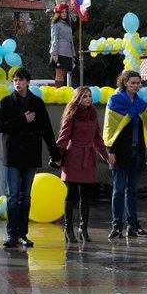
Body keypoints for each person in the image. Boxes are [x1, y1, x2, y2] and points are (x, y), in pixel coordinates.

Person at [0, 67, 62, 248]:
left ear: (27, 82)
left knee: (25, 196)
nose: (17, 83)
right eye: (15, 80)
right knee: (12, 196)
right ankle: (11, 234)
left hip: (31, 154)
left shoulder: (37, 103)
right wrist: (21, 119)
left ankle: (23, 233)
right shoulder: (6, 102)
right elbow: (0, 126)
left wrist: (55, 155)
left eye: (21, 80)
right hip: (13, 155)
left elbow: (47, 130)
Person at [102, 70, 147, 239]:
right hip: (120, 152)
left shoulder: (140, 103)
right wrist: (110, 152)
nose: (136, 86)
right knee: (118, 190)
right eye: (133, 83)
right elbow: (109, 129)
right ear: (124, 83)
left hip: (137, 151)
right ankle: (116, 227)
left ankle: (133, 226)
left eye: (138, 83)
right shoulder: (115, 101)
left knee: (132, 190)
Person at [56, 86, 108, 243]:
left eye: (89, 96)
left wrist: (105, 155)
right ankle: (68, 229)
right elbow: (64, 137)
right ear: (77, 98)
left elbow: (97, 137)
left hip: (88, 158)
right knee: (71, 195)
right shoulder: (71, 114)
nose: (88, 98)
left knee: (86, 195)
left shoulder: (93, 114)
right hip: (73, 157)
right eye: (84, 96)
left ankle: (83, 229)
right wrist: (58, 155)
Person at [49, 3, 75, 88]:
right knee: (59, 74)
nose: (64, 14)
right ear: (58, 13)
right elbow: (54, 39)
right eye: (62, 12)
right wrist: (54, 53)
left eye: (65, 12)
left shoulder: (67, 24)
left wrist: (73, 54)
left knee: (63, 74)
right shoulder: (55, 24)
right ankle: (57, 92)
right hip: (60, 52)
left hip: (68, 52)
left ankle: (60, 92)